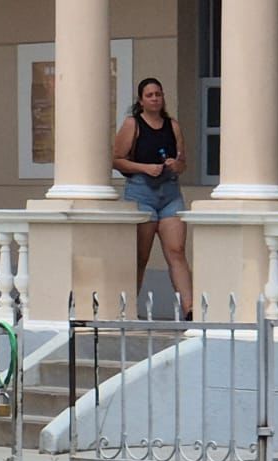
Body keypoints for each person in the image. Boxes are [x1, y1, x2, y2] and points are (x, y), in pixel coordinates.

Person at [112, 77, 194, 321]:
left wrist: (175, 164)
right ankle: (127, 310)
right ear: (141, 100)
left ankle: (190, 309)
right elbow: (116, 159)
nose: (155, 98)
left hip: (169, 192)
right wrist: (144, 168)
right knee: (140, 255)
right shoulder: (132, 124)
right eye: (150, 95)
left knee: (176, 250)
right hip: (141, 192)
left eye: (158, 94)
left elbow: (183, 162)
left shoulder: (172, 125)